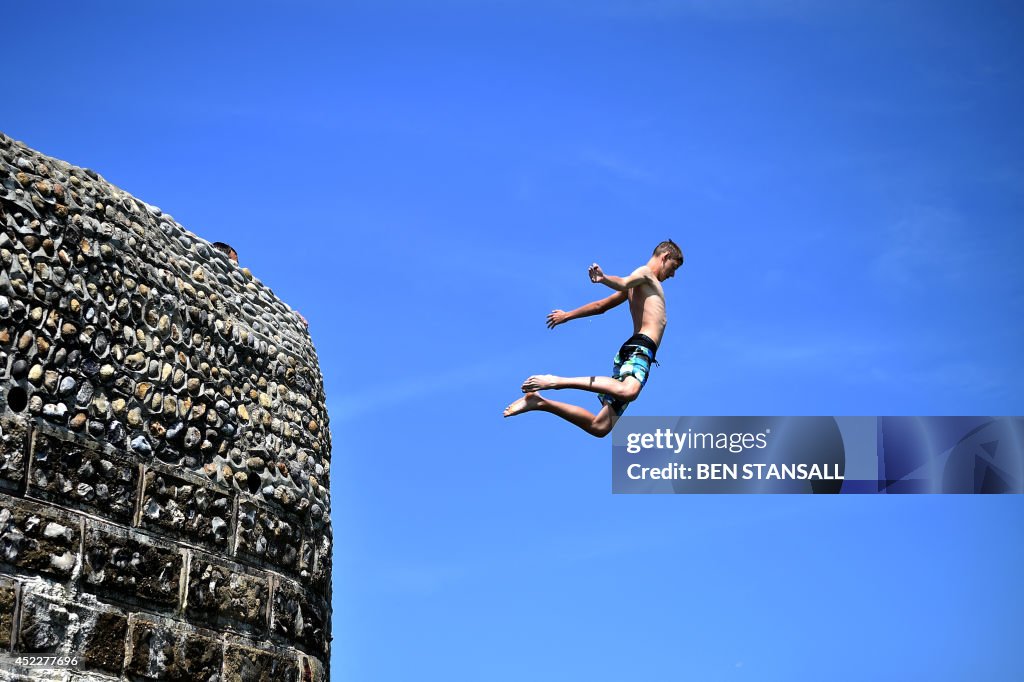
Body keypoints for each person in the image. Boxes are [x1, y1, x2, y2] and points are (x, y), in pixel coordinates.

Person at [503, 240, 684, 437]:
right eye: (673, 267)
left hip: (635, 349)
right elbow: (622, 281)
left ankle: (539, 402)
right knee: (629, 391)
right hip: (641, 348)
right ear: (665, 257)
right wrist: (604, 278)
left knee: (600, 427)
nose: (672, 275)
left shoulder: (640, 283)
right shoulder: (645, 274)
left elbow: (601, 306)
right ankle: (556, 381)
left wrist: (567, 315)